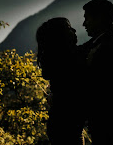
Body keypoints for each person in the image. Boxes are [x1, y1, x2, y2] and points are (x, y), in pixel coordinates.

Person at [80, 0, 113, 145]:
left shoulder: (107, 47)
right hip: (109, 120)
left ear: (99, 19)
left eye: (87, 18)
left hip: (108, 120)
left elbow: (99, 86)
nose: (84, 24)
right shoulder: (102, 41)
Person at [36, 17, 85, 145]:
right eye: (69, 28)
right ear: (61, 35)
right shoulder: (70, 57)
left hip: (60, 124)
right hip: (67, 126)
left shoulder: (56, 57)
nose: (74, 30)